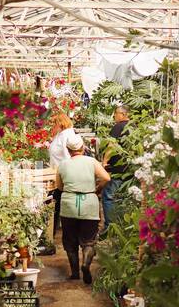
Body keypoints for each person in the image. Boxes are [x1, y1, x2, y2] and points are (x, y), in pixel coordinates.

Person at [55, 133, 111, 284]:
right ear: (82, 147)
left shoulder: (63, 164)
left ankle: (74, 273)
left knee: (70, 240)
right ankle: (85, 264)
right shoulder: (91, 161)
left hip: (69, 204)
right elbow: (106, 178)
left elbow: (59, 186)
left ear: (68, 149)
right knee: (88, 241)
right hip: (89, 203)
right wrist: (97, 188)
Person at [101, 105, 130, 234]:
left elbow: (112, 145)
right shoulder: (133, 128)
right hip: (129, 172)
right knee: (124, 199)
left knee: (108, 197)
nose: (114, 116)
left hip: (118, 170)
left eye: (116, 113)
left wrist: (104, 162)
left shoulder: (118, 127)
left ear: (123, 114)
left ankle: (110, 228)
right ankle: (123, 227)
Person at [46, 111, 74, 237]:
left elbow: (68, 155)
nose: (53, 125)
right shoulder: (61, 134)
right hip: (57, 171)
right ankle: (55, 228)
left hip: (63, 173)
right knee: (56, 199)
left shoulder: (66, 135)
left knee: (58, 199)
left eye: (55, 123)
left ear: (61, 123)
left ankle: (56, 230)